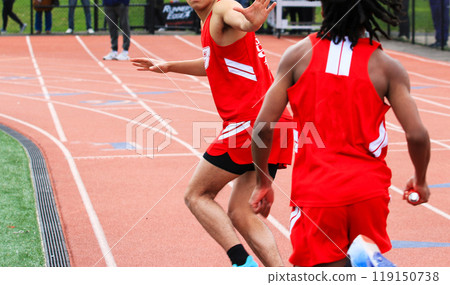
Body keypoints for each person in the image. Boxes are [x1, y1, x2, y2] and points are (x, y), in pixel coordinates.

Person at [251, 0, 431, 267]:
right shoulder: (386, 66)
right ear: (368, 13)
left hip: (317, 192)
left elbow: (262, 128)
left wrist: (263, 182)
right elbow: (417, 135)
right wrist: (421, 179)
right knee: (354, 263)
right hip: (368, 191)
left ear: (323, 10)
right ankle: (365, 264)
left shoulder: (296, 55)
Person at [131, 0, 293, 267]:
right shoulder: (210, 24)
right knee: (241, 212)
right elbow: (212, 62)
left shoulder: (222, 7)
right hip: (277, 120)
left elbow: (237, 17)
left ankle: (242, 264)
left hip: (249, 122)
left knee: (196, 195)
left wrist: (249, 22)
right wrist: (170, 66)